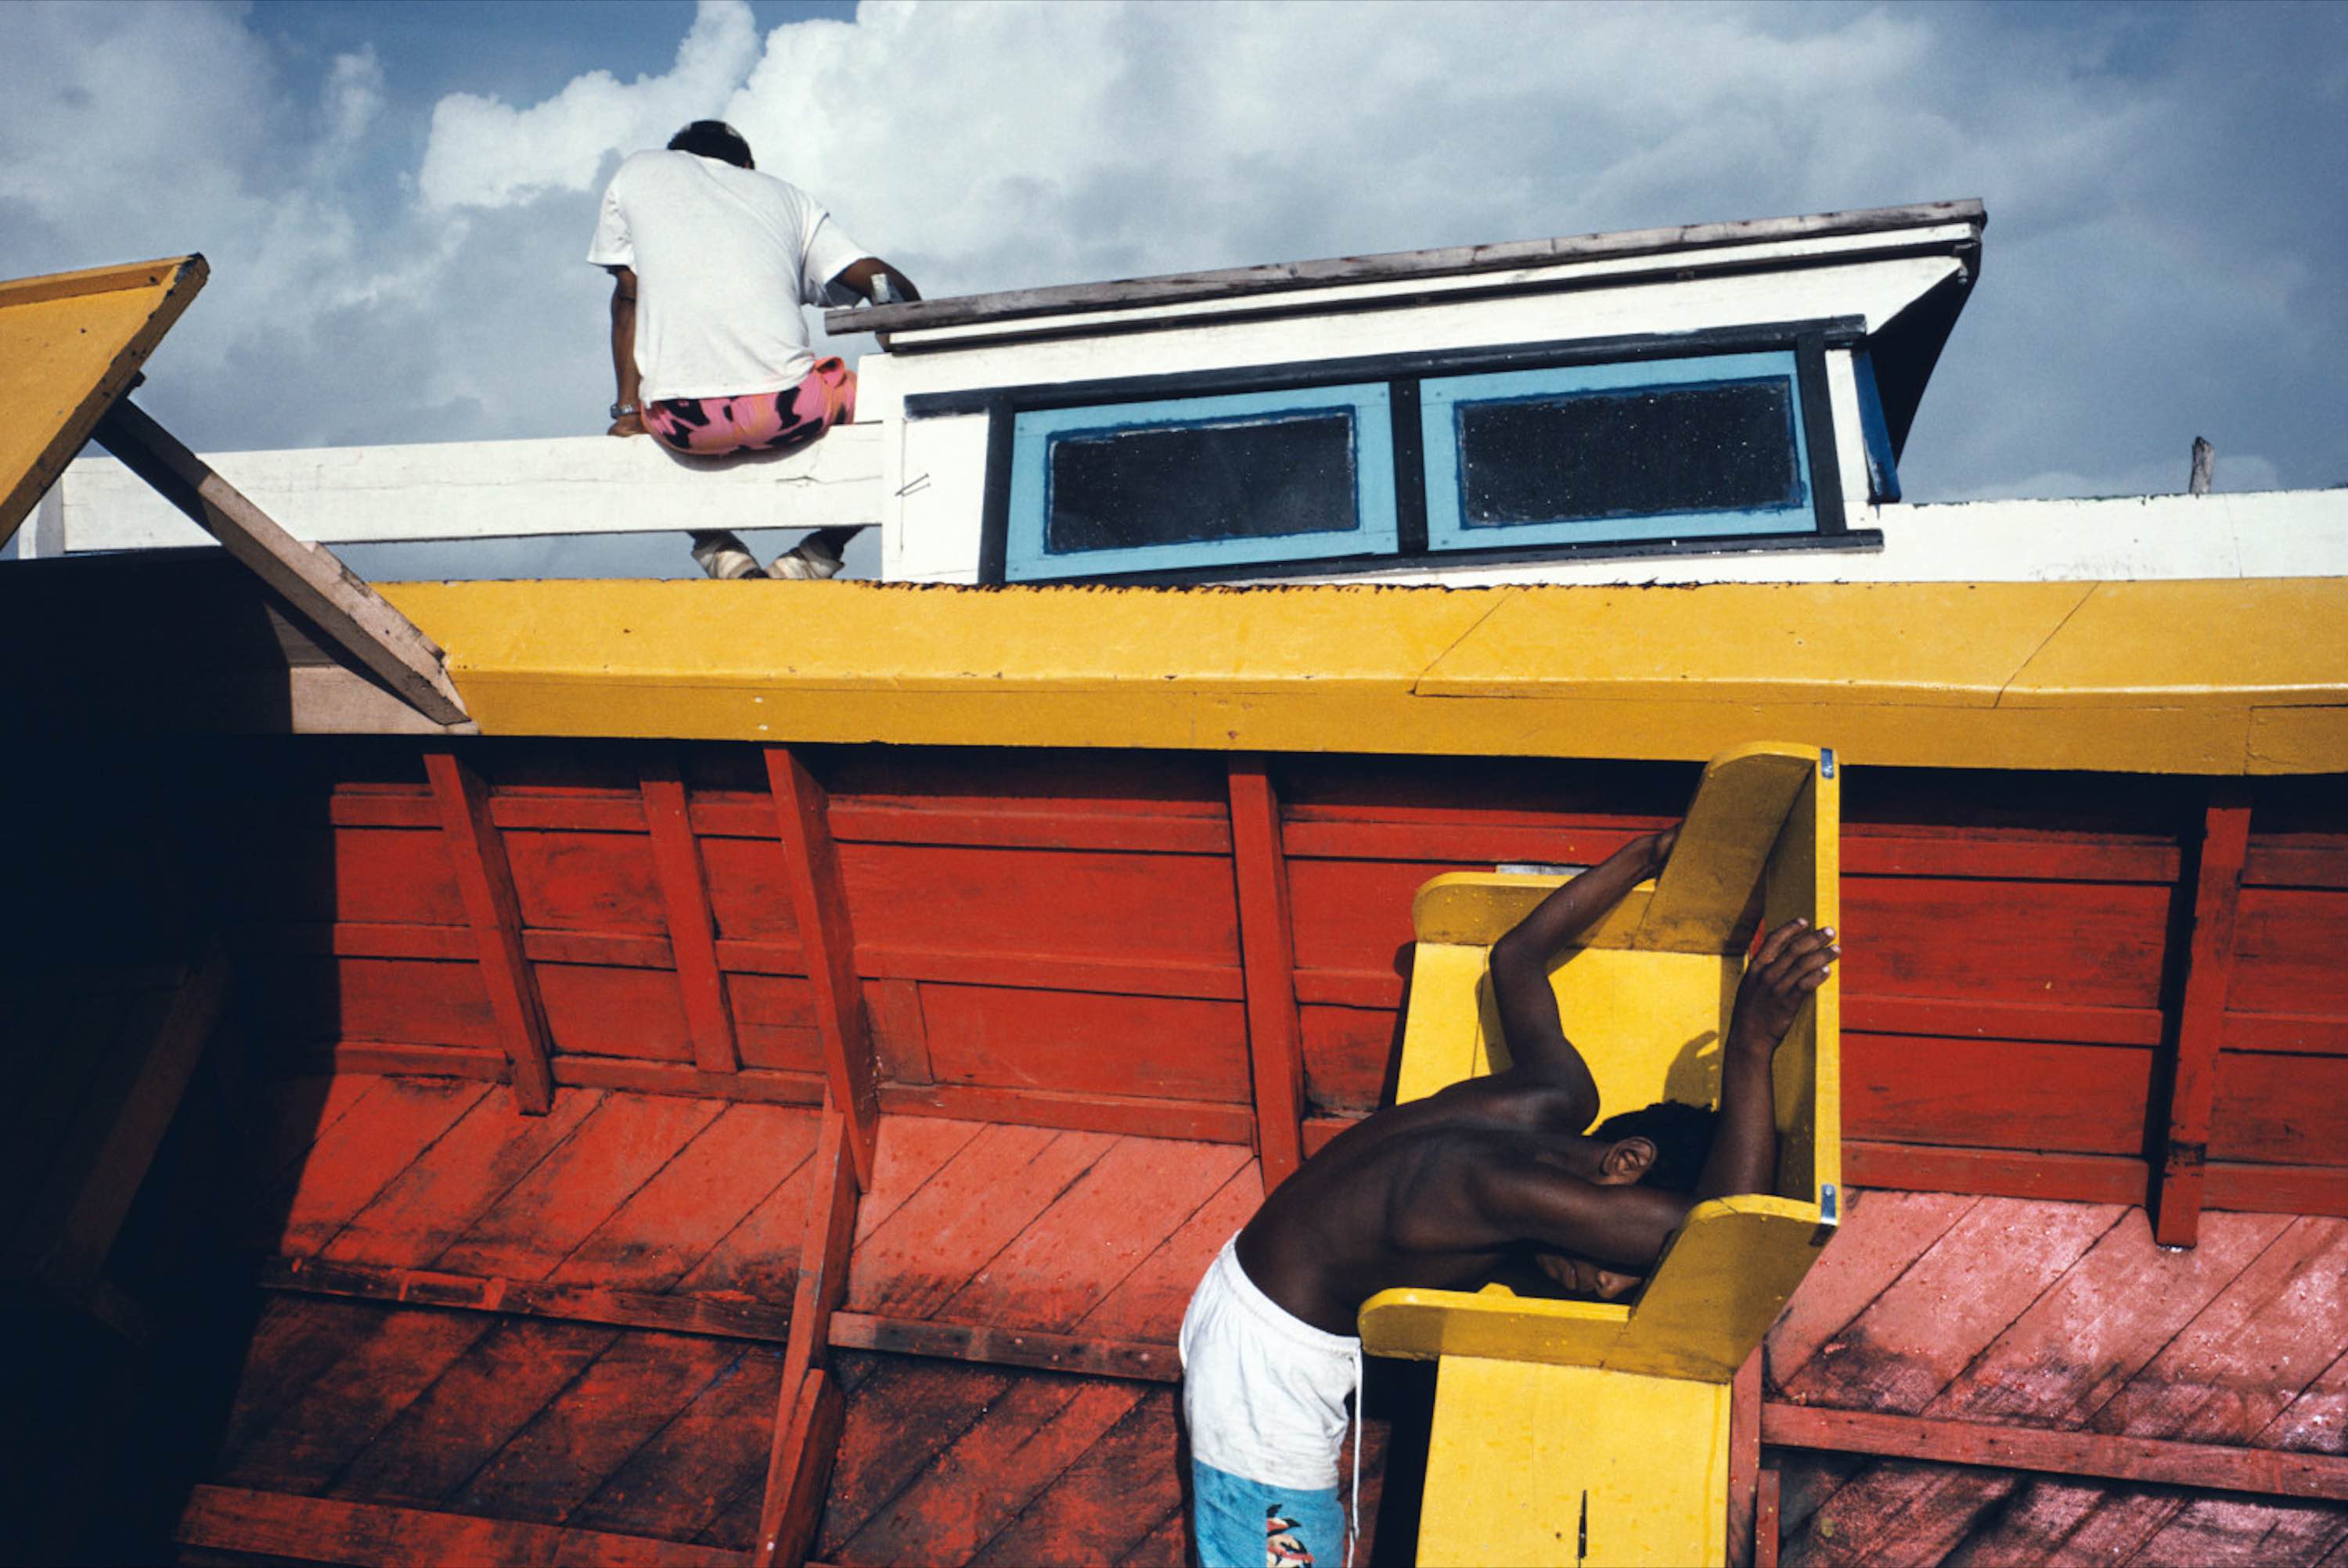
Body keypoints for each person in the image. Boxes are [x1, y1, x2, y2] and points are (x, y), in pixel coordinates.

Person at [1179, 824, 1838, 1568]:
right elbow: (1722, 1234)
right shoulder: (1503, 1189)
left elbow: (1517, 956)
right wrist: (1751, 1045)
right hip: (1267, 1369)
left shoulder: (1555, 1093)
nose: (1607, 1288)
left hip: (1262, 1298)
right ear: (1627, 1162)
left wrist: (1649, 856)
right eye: (1621, 1256)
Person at [589, 120, 921, 580]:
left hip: (682, 423)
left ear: (679, 154)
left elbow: (629, 295)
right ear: (747, 166)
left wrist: (628, 414)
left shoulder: (637, 171)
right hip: (792, 410)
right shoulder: (788, 197)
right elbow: (879, 279)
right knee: (911, 419)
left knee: (637, 429)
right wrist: (903, 342)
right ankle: (817, 554)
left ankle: (719, 550)